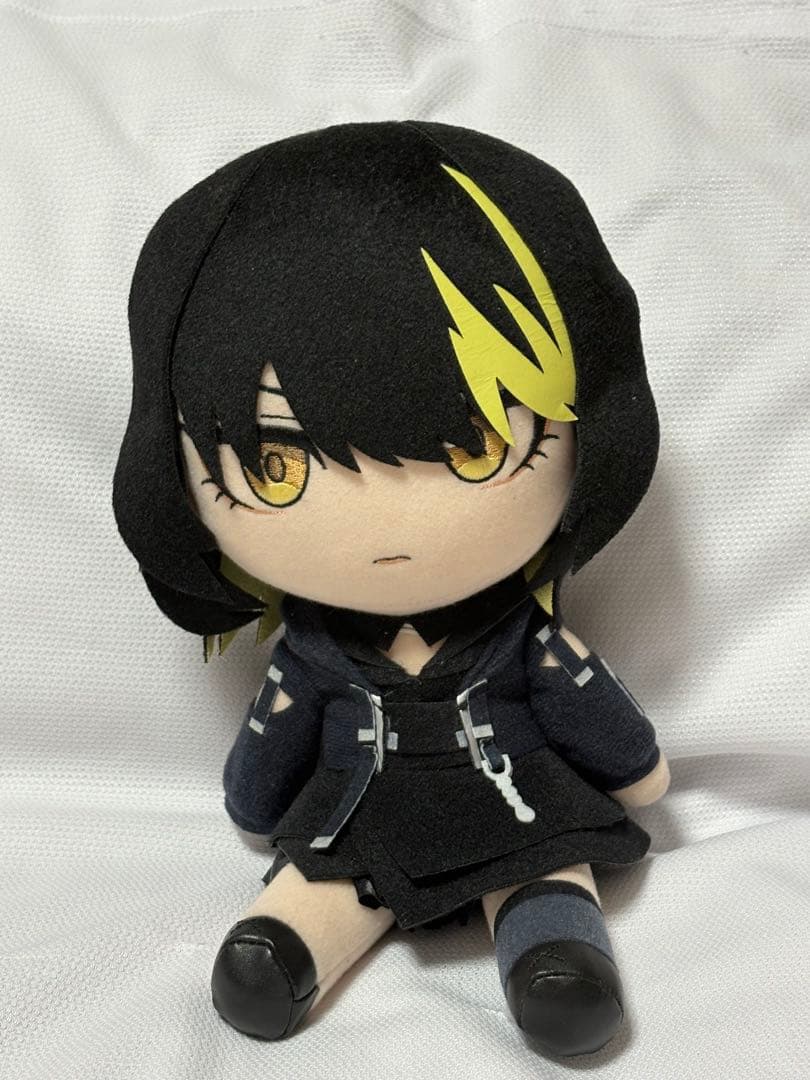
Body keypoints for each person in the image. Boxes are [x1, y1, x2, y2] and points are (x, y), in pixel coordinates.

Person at [114, 120, 670, 1058]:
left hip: (516, 807)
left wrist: (637, 769)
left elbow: (583, 698)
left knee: (542, 875)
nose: (383, 525)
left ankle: (557, 962)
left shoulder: (520, 636)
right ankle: (279, 952)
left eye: (478, 446)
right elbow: (273, 741)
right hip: (356, 814)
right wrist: (254, 805)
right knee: (325, 880)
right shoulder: (315, 651)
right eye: (278, 467)